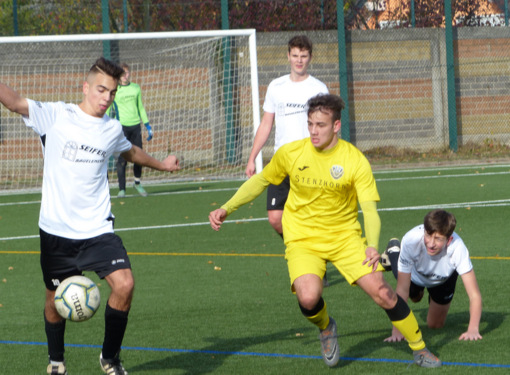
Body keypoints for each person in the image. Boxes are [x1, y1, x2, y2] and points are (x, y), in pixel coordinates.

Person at [209, 93, 441, 368]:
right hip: (302, 238)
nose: (314, 131)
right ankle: (326, 326)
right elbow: (260, 182)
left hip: (344, 238)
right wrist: (227, 207)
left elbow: (369, 210)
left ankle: (420, 348)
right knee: (308, 297)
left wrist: (371, 244)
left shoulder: (354, 160)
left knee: (383, 292)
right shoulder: (291, 153)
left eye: (320, 125)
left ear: (336, 126)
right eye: (310, 124)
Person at [0, 57, 179, 375]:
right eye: (100, 90)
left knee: (124, 285)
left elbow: (130, 151)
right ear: (85, 87)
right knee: (54, 300)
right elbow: (13, 102)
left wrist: (162, 165)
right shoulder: (56, 115)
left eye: (111, 92)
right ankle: (56, 362)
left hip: (97, 229)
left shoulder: (111, 128)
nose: (106, 97)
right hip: (56, 231)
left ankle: (110, 359)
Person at [246, 35, 330, 286]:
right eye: (295, 55)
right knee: (275, 217)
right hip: (282, 162)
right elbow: (266, 124)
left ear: (310, 58)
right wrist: (253, 157)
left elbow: (325, 127)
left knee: (311, 217)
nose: (299, 60)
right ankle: (306, 253)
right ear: (288, 56)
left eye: (304, 56)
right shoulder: (276, 87)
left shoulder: (318, 88)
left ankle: (313, 263)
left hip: (310, 162)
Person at [381, 209, 483, 343]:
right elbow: (402, 290)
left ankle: (433, 296)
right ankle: (393, 251)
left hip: (442, 279)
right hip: (415, 275)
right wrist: (397, 330)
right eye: (428, 235)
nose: (431, 243)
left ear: (449, 239)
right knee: (414, 296)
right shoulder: (411, 240)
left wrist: (473, 329)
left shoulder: (458, 248)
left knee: (435, 325)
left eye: (438, 239)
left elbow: (474, 295)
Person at [110, 63, 153, 198]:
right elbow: (107, 108)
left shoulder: (135, 88)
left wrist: (147, 125)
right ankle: (122, 189)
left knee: (138, 157)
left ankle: (137, 182)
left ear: (129, 73)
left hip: (135, 126)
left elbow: (140, 107)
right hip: (121, 127)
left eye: (127, 73)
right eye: (122, 73)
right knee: (122, 159)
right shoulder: (114, 89)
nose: (125, 75)